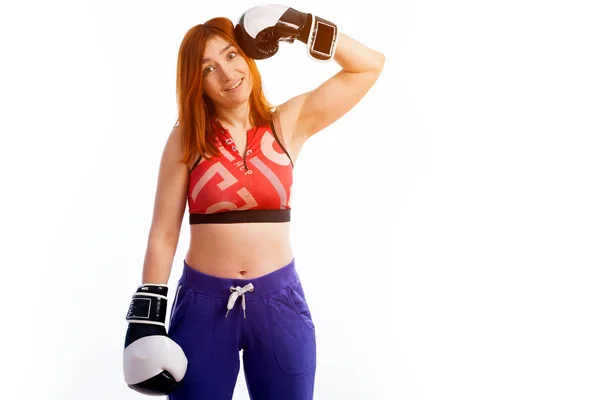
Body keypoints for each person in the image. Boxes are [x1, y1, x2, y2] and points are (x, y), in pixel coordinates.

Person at [122, 4, 385, 400]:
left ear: (248, 55)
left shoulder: (288, 122)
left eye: (231, 55)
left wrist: (299, 25)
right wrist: (145, 320)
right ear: (198, 83)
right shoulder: (187, 138)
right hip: (202, 306)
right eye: (208, 69)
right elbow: (163, 233)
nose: (227, 74)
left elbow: (368, 66)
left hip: (280, 304)